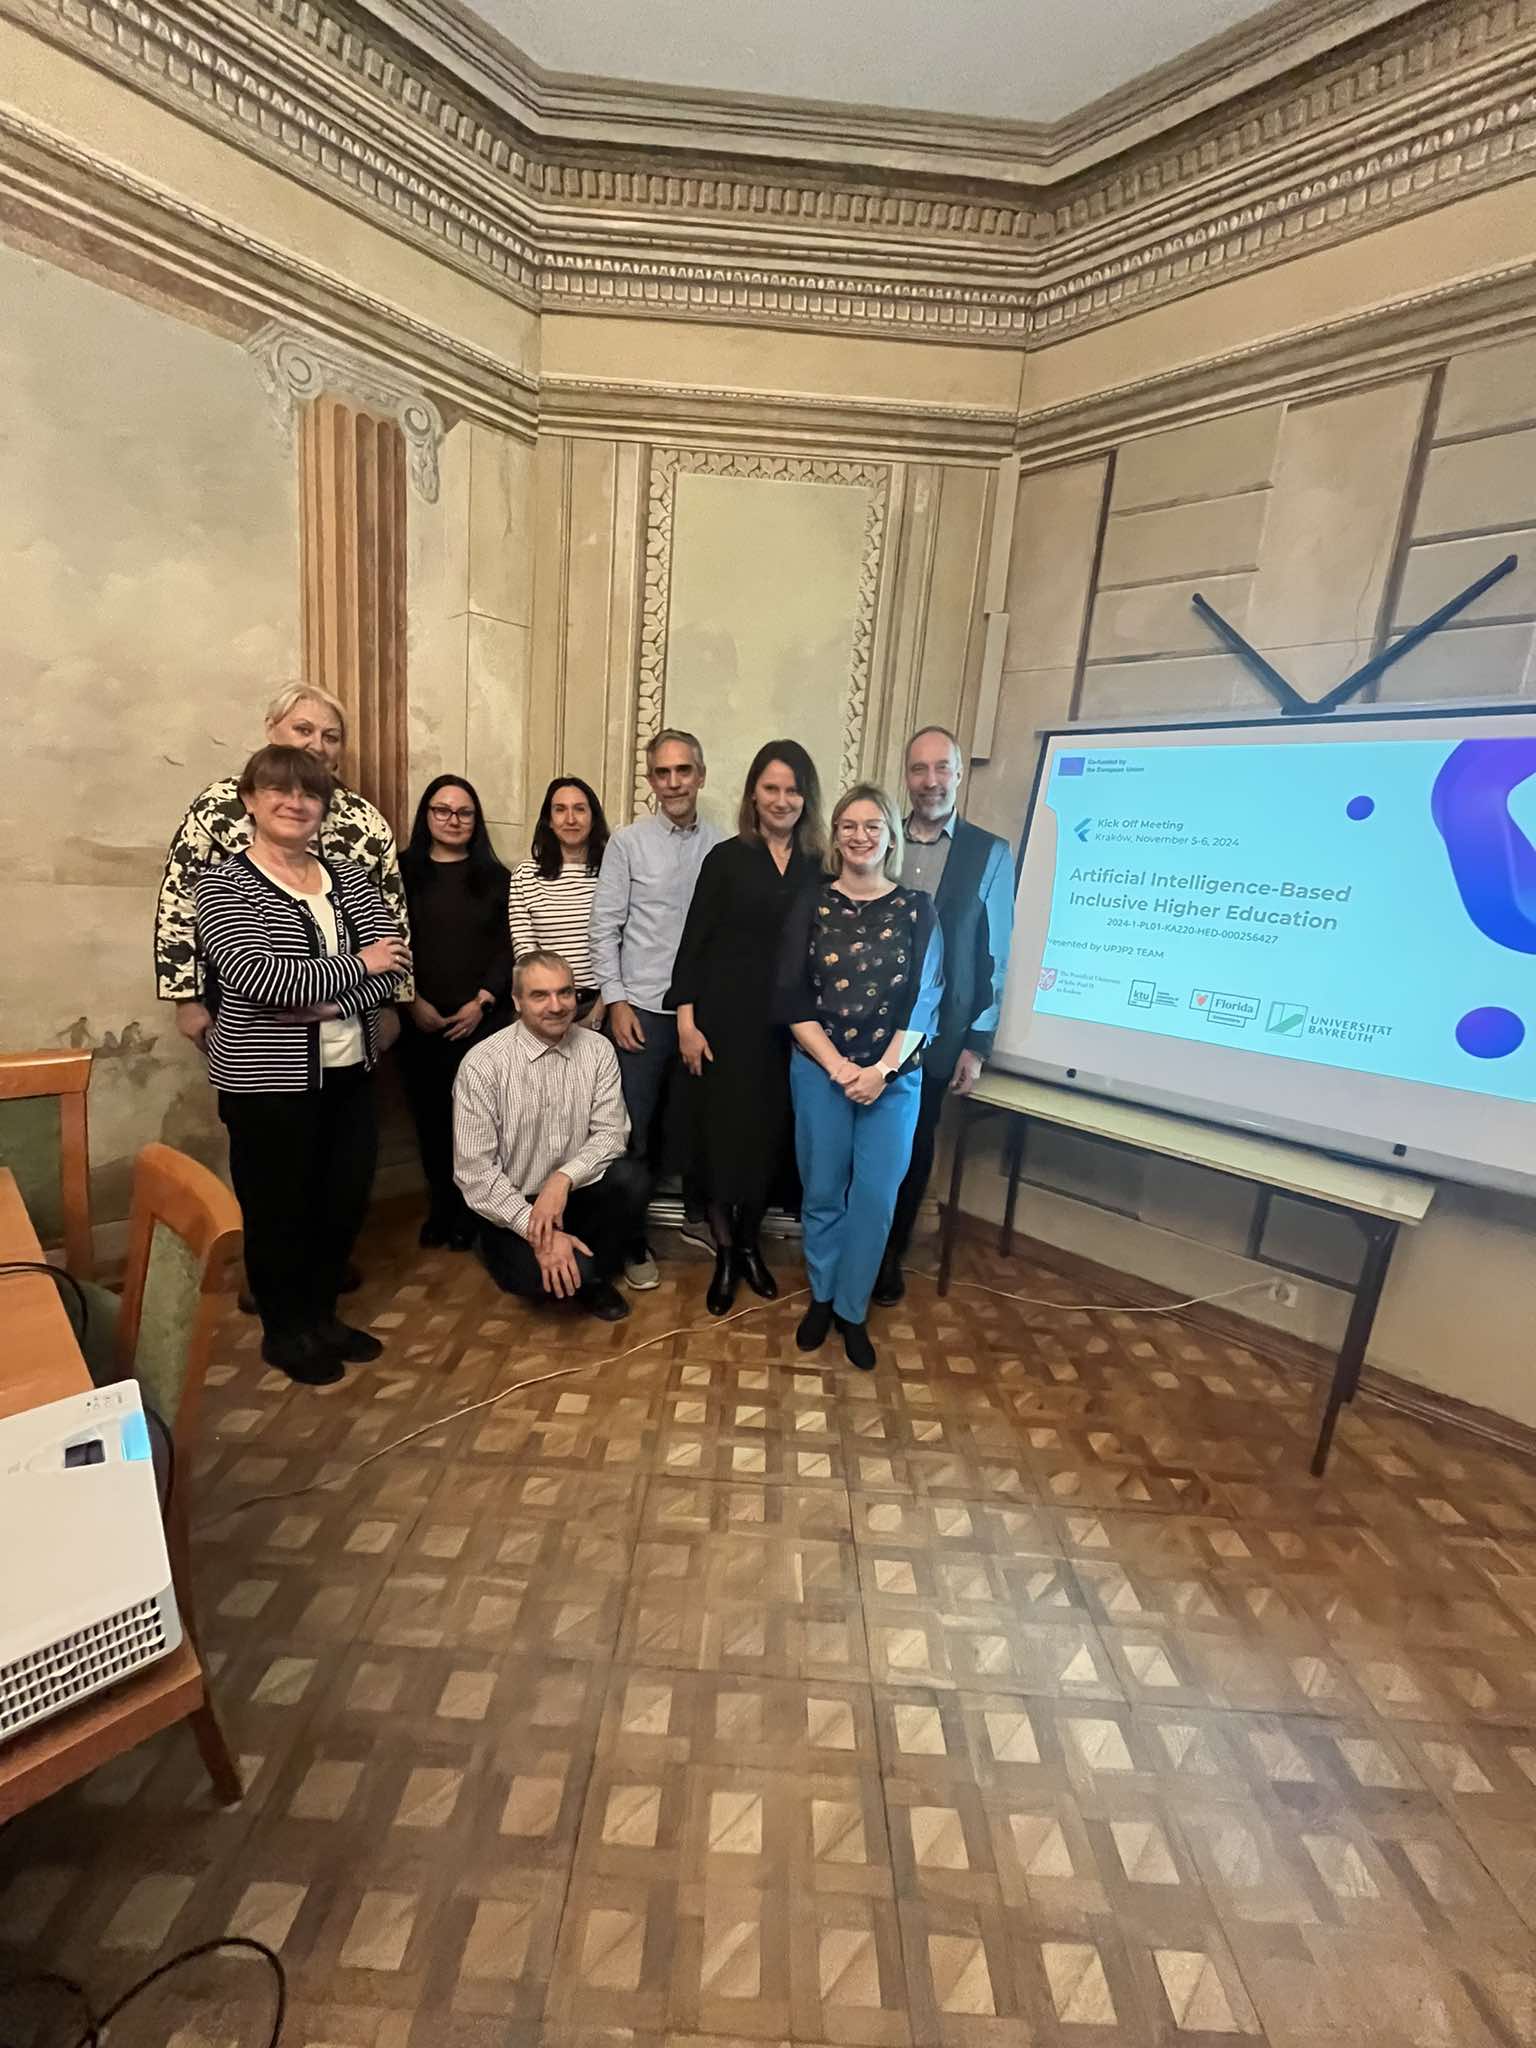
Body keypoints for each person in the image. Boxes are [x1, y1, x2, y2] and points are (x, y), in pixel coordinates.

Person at [194, 745, 411, 1384]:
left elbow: (393, 964)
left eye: (310, 793)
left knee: (340, 1202)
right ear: (251, 800)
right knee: (277, 1210)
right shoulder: (222, 884)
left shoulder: (349, 877)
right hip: (265, 1081)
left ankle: (322, 1317)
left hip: (351, 1071)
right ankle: (285, 1332)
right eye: (280, 791)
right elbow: (258, 976)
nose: (296, 803)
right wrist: (357, 968)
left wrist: (327, 1001)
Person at [776, 784, 943, 1372]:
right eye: (848, 825)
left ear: (891, 837)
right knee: (822, 1192)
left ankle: (852, 1309)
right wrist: (839, 1067)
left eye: (873, 825)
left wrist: (880, 1071)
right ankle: (822, 1297)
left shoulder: (919, 908)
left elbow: (925, 1001)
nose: (860, 836)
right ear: (835, 836)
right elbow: (791, 995)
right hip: (820, 1073)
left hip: (892, 1082)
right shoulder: (810, 904)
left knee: (874, 1200)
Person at [156, 681, 410, 1040]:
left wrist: (390, 1004)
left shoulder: (366, 821)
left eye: (331, 737)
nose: (316, 745)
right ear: (271, 729)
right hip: (250, 1007)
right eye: (303, 730)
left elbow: (392, 915)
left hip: (350, 1011)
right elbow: (180, 904)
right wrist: (185, 999)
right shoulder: (220, 806)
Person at [667, 740, 824, 1315]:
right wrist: (686, 1021)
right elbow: (694, 945)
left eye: (793, 789)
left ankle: (751, 1242)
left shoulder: (821, 866)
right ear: (753, 794)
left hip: (790, 1032)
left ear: (807, 797)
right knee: (719, 1141)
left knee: (768, 1142)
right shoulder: (725, 859)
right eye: (771, 788)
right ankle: (727, 1253)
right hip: (722, 1025)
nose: (782, 800)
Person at [874, 725, 1014, 1305]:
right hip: (866, 1026)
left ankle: (889, 1255)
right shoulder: (879, 836)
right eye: (918, 769)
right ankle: (853, 1245)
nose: (929, 781)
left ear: (958, 774)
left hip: (938, 1034)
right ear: (906, 776)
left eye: (941, 768)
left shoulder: (990, 852)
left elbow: (996, 954)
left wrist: (977, 1044)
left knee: (912, 1145)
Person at [589, 729, 724, 1289]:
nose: (673, 783)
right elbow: (604, 929)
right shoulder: (627, 843)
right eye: (662, 773)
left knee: (699, 1126)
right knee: (632, 1131)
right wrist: (616, 1001)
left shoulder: (725, 845)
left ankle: (698, 1218)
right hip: (641, 1010)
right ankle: (631, 1241)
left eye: (683, 771)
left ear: (700, 775)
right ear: (650, 780)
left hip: (705, 1015)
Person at [453, 951, 647, 1322]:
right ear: (517, 1002)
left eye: (565, 993)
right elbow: (474, 1173)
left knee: (631, 1178)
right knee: (558, 1279)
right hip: (511, 1206)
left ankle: (594, 1275)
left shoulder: (598, 1049)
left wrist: (562, 1179)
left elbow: (611, 1134)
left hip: (572, 1192)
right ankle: (496, 1248)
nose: (556, 1006)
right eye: (540, 995)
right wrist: (536, 1230)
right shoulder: (482, 1065)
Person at [397, 775, 513, 1250]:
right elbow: (386, 937)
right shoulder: (400, 872)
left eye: (464, 812)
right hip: (417, 1019)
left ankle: (471, 1212)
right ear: (426, 815)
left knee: (477, 1123)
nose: (453, 820)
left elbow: (508, 947)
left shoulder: (496, 877)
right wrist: (410, 1000)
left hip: (480, 1020)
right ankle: (441, 1208)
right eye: (442, 810)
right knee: (429, 1120)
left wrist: (482, 1001)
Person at [509, 776, 610, 1023]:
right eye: (560, 810)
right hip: (544, 1005)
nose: (570, 819)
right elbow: (525, 952)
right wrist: (552, 1009)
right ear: (549, 820)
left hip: (601, 1004)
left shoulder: (612, 873)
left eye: (580, 809)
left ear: (593, 818)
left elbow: (623, 950)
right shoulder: (525, 875)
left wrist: (597, 1014)